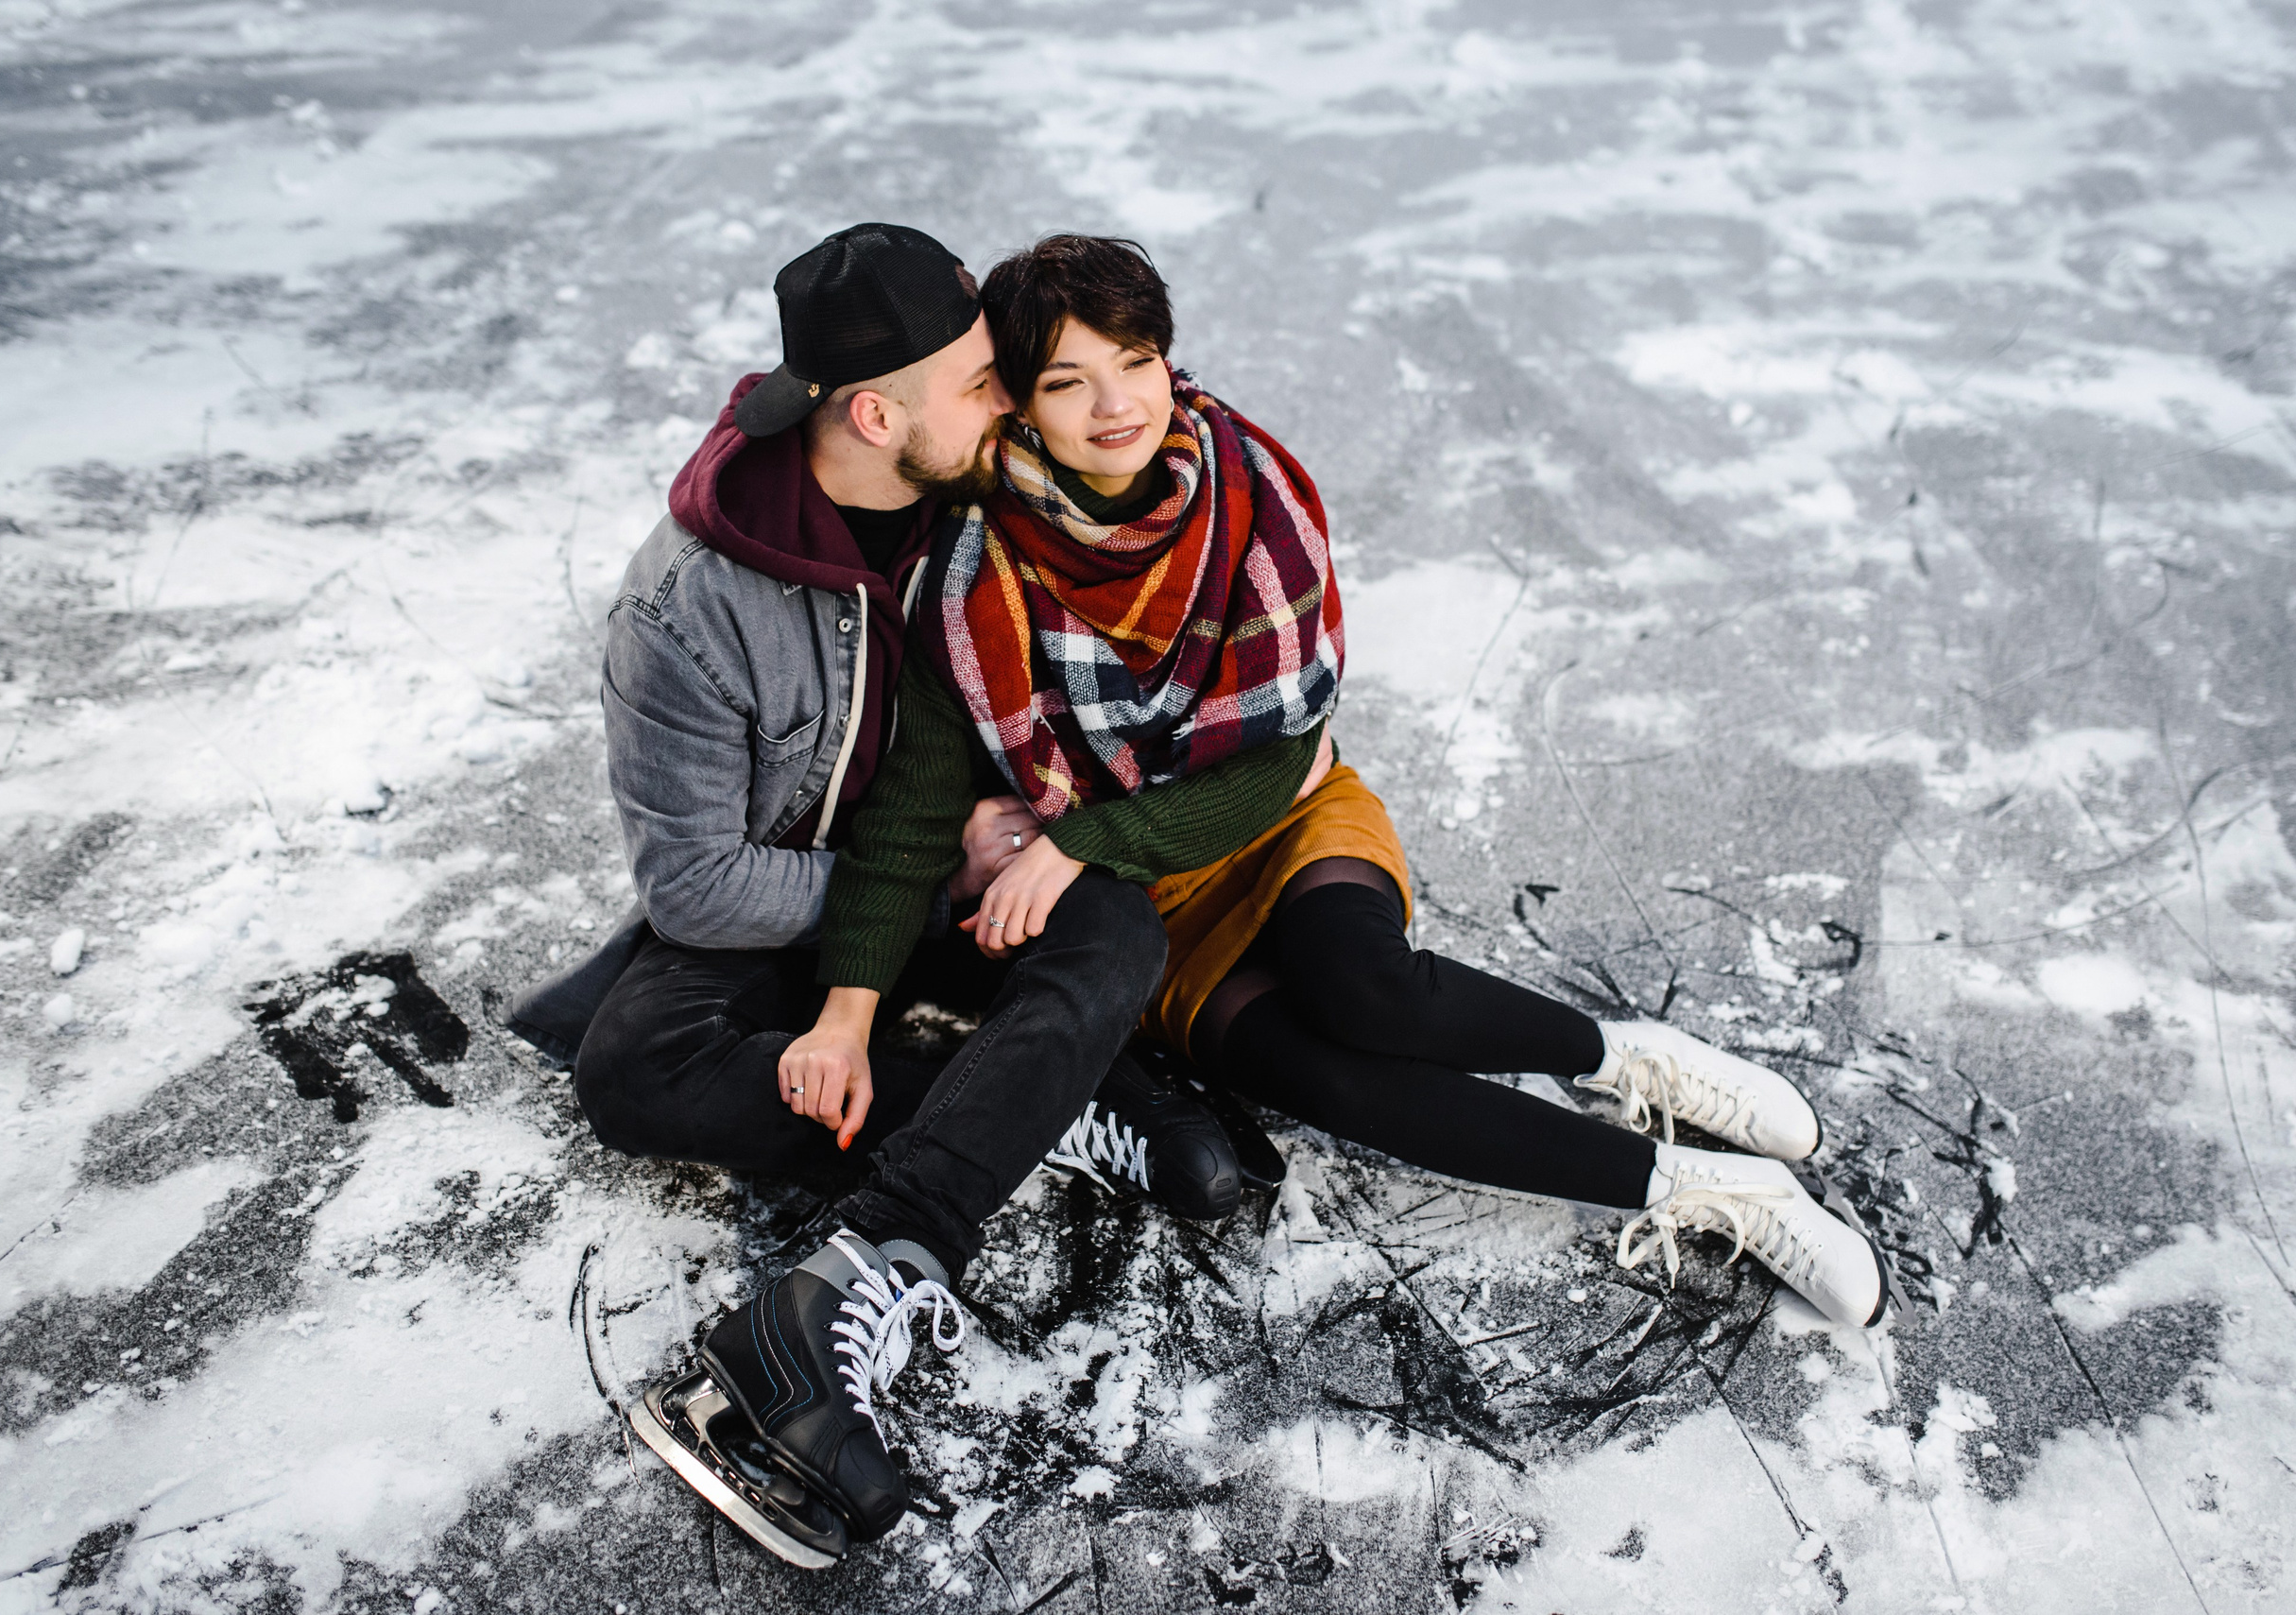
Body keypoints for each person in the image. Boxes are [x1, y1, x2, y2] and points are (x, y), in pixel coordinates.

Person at [802, 232, 1893, 1415]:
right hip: (1160, 908)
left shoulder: (1250, 495)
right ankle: (1710, 1191)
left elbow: (1278, 762)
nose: (1117, 403)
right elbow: (907, 816)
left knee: (1360, 987)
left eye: (1137, 359)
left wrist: (1079, 840)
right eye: (1068, 380)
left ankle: (1627, 1057)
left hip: (1274, 817)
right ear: (1019, 402)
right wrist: (847, 1011)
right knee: (1324, 1075)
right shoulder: (970, 574)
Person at [498, 225, 1255, 1568]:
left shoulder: (985, 483)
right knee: (632, 1069)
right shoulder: (681, 611)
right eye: (978, 381)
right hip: (798, 900)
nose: (1009, 398)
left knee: (1110, 928)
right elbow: (701, 887)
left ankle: (886, 1235)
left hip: (957, 881)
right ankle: (1034, 1118)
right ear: (872, 411)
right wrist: (909, 885)